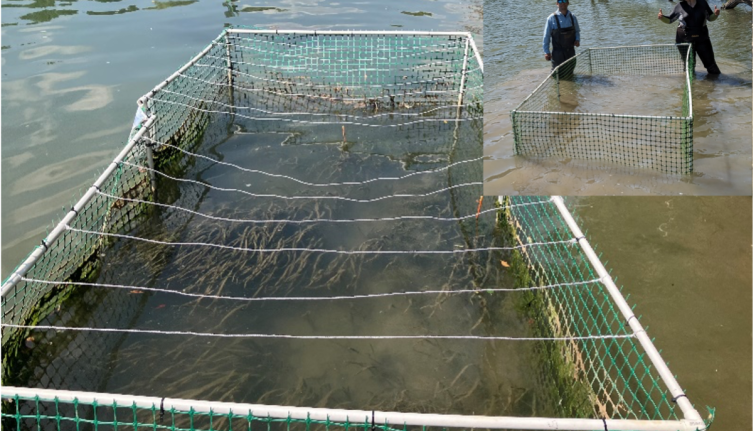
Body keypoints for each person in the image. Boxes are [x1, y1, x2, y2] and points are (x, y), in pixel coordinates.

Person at [658, 0, 722, 75]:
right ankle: (694, 85)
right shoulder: (679, 5)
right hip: (684, 39)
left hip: (702, 38)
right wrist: (662, 17)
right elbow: (669, 20)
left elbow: (710, 18)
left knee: (712, 66)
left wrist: (715, 14)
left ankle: (715, 84)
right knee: (689, 67)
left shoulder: (703, 3)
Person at [543, 0, 581, 75]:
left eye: (564, 0)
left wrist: (577, 40)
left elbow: (577, 31)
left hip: (571, 51)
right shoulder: (551, 18)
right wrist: (546, 52)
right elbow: (546, 36)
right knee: (556, 74)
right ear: (557, 3)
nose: (562, 3)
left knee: (570, 73)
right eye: (560, 1)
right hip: (558, 53)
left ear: (568, 3)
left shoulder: (572, 17)